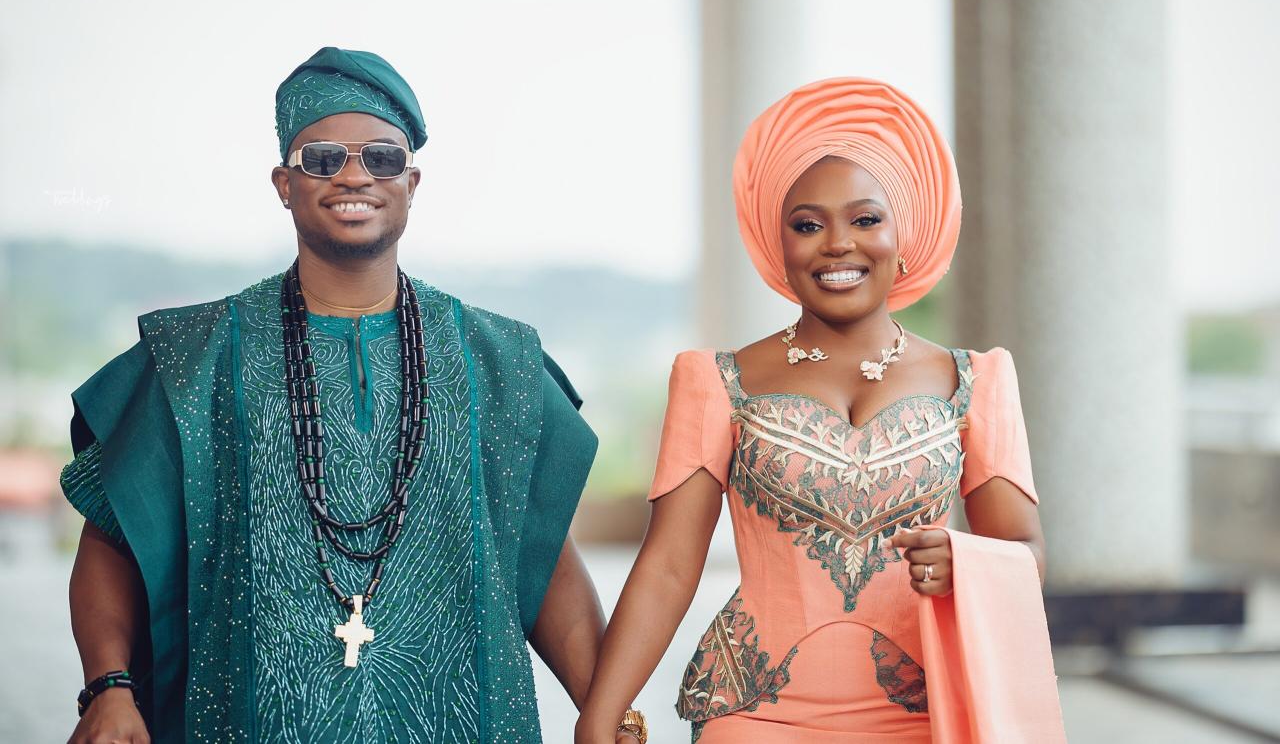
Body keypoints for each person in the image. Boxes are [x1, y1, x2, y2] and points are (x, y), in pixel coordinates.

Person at [61, 46, 627, 743]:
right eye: (323, 158)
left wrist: (608, 710)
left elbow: (541, 557)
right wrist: (107, 688)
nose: (354, 175)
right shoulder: (195, 359)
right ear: (284, 183)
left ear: (412, 182)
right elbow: (113, 538)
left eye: (382, 159)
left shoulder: (498, 361)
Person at [577, 78, 1066, 743]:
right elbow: (668, 566)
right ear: (777, 243)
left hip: (928, 714)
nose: (837, 244)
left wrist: (965, 559)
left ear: (905, 233)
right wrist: (600, 714)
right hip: (755, 714)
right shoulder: (714, 380)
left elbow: (1026, 553)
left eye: (865, 220)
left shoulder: (977, 380)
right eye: (808, 225)